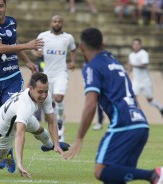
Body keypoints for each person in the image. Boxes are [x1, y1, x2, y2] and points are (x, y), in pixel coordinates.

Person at [62, 27, 163, 183]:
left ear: (81, 47)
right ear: (102, 45)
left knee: (101, 170)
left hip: (123, 124)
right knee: (117, 177)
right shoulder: (115, 63)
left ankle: (153, 175)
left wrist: (79, 138)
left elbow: (90, 104)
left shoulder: (92, 67)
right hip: (140, 123)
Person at [0, 0, 43, 120]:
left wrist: (28, 62)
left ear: (5, 7)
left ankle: (38, 133)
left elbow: (14, 43)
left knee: (11, 112)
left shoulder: (11, 22)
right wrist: (27, 45)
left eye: (0, 6)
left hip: (12, 76)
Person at [32, 15, 76, 141]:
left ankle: (61, 121)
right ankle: (56, 126)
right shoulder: (43, 36)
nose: (57, 23)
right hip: (47, 74)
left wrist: (72, 62)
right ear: (51, 23)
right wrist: (36, 53)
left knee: (59, 97)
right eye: (55, 21)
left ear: (62, 24)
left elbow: (73, 50)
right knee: (48, 102)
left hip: (61, 72)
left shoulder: (68, 38)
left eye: (59, 22)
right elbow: (34, 49)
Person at [128, 38, 163, 118]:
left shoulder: (144, 54)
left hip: (145, 81)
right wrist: (128, 71)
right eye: (134, 44)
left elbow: (144, 65)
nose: (136, 46)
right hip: (136, 81)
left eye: (137, 44)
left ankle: (161, 108)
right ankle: (139, 114)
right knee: (132, 97)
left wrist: (133, 65)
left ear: (140, 45)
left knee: (150, 100)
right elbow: (130, 68)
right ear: (132, 46)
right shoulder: (131, 55)